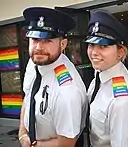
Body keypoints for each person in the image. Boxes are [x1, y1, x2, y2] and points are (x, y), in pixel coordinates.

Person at [18, 7, 87, 147]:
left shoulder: (67, 91)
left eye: (47, 40)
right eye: (35, 39)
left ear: (63, 44)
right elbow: (28, 97)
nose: (38, 47)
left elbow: (67, 143)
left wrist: (33, 145)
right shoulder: (35, 64)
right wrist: (22, 133)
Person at [83, 10, 128, 147]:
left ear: (120, 52)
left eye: (103, 46)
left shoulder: (120, 100)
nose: (94, 53)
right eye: (91, 45)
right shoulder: (100, 73)